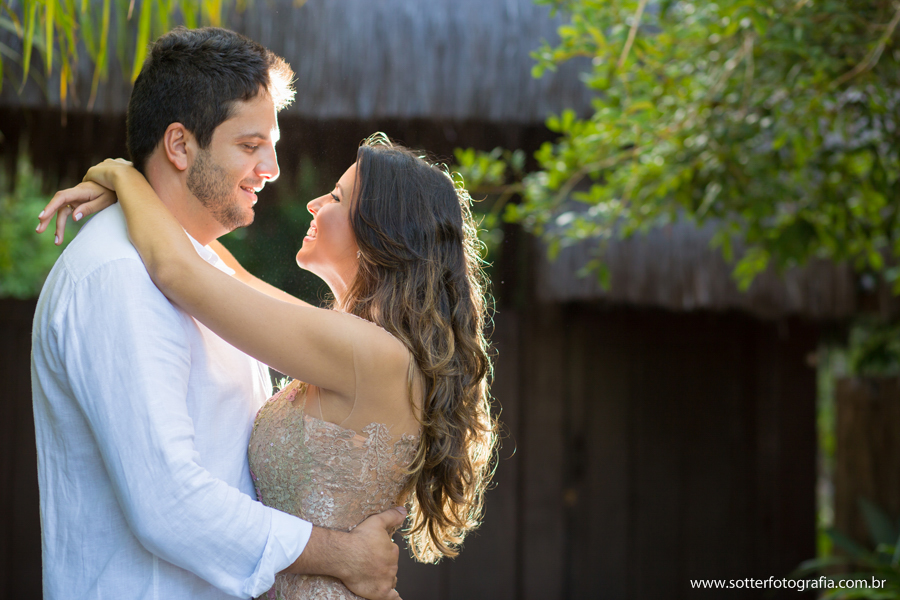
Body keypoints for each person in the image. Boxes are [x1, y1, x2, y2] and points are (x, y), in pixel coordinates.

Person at [39, 133, 499, 599]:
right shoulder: (361, 346)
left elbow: (179, 271)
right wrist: (149, 194)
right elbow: (231, 277)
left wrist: (122, 173)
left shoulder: (368, 354)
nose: (315, 203)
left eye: (336, 197)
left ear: (381, 232)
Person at [31, 27, 404, 600]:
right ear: (179, 146)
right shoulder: (119, 276)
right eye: (251, 146)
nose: (274, 169)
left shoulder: (201, 272)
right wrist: (340, 554)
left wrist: (122, 175)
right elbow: (167, 501)